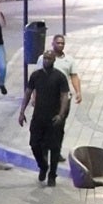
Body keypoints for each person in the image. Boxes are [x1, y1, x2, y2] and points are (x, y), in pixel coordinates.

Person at [17, 49, 70, 186]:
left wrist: (61, 114)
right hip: (38, 117)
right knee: (34, 144)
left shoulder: (59, 77)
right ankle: (43, 166)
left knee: (54, 148)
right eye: (45, 58)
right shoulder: (36, 76)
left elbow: (65, 96)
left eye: (49, 58)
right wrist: (22, 112)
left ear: (54, 60)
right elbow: (28, 93)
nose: (47, 60)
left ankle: (52, 174)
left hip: (53, 118)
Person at [50, 33, 82, 105]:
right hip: (47, 94)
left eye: (62, 43)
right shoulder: (44, 58)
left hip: (63, 94)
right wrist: (34, 95)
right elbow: (37, 77)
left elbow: (74, 76)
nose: (60, 45)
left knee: (61, 115)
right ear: (53, 44)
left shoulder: (69, 60)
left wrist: (78, 92)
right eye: (58, 43)